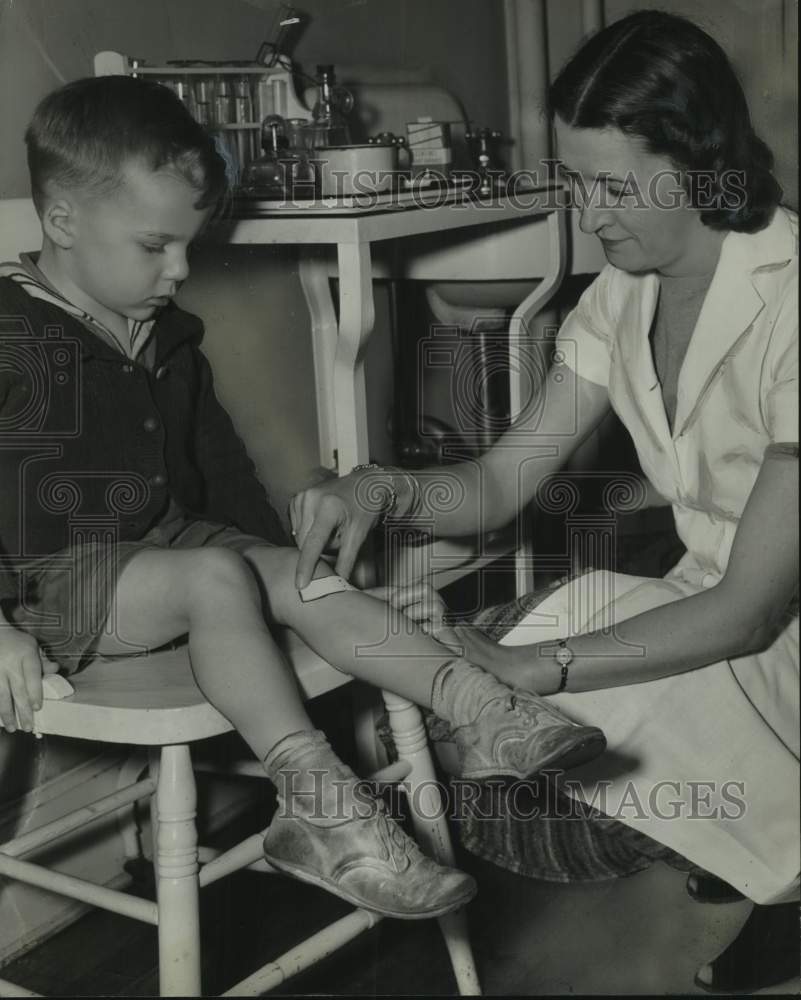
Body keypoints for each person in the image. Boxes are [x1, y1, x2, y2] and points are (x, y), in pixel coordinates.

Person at [0, 75, 608, 922]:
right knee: (217, 576)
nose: (179, 272)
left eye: (188, 246)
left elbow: (217, 465)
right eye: (155, 246)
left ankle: (479, 706)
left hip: (164, 550)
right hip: (43, 580)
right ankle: (318, 804)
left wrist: (286, 575)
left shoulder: (164, 330)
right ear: (61, 221)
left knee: (288, 572)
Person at [290, 10, 799, 991]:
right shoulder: (623, 294)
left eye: (613, 185)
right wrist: (381, 485)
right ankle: (754, 876)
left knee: (525, 700)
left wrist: (538, 665)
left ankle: (768, 872)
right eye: (576, 181)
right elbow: (495, 484)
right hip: (712, 605)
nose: (589, 213)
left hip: (769, 620)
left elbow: (749, 610)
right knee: (473, 716)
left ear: (700, 165)